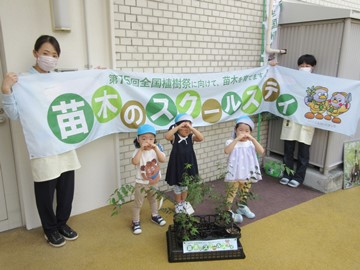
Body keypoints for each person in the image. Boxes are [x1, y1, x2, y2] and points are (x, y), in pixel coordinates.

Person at [1, 35, 81, 247]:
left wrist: (98, 75)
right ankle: (50, 229)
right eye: (46, 53)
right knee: (45, 191)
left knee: (66, 190)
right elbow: (14, 115)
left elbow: (82, 87)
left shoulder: (58, 79)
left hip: (64, 142)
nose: (50, 58)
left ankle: (62, 223)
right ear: (35, 53)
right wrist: (6, 90)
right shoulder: (23, 81)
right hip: (43, 147)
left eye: (55, 55)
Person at [278, 54, 317, 188]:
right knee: (288, 149)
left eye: (307, 66)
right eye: (302, 66)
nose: (304, 68)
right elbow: (280, 81)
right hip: (292, 117)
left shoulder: (318, 82)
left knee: (303, 152)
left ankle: (299, 177)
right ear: (298, 67)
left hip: (306, 120)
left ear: (313, 67)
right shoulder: (291, 79)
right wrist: (273, 66)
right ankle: (286, 174)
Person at [224, 116, 264, 222]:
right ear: (235, 130)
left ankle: (241, 207)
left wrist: (253, 139)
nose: (243, 133)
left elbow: (261, 151)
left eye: (247, 131)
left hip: (247, 173)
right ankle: (227, 211)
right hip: (234, 173)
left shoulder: (251, 143)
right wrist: (236, 139)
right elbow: (227, 151)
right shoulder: (230, 141)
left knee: (244, 192)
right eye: (240, 130)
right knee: (231, 193)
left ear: (250, 132)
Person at [131, 124, 167, 235]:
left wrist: (156, 148)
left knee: (153, 199)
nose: (148, 141)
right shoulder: (137, 150)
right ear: (138, 139)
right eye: (144, 138)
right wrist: (141, 149)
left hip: (154, 181)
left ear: (154, 139)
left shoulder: (156, 149)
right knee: (138, 203)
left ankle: (155, 215)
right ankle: (135, 221)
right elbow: (135, 162)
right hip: (141, 183)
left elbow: (162, 160)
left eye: (151, 138)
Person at [164, 113, 204, 213]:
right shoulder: (175, 137)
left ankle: (184, 202)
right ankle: (178, 204)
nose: (187, 130)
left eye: (188, 128)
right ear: (177, 127)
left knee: (185, 186)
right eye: (184, 128)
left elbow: (201, 138)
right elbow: (167, 136)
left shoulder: (190, 137)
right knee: (178, 186)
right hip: (177, 165)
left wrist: (191, 127)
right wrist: (178, 127)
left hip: (188, 165)